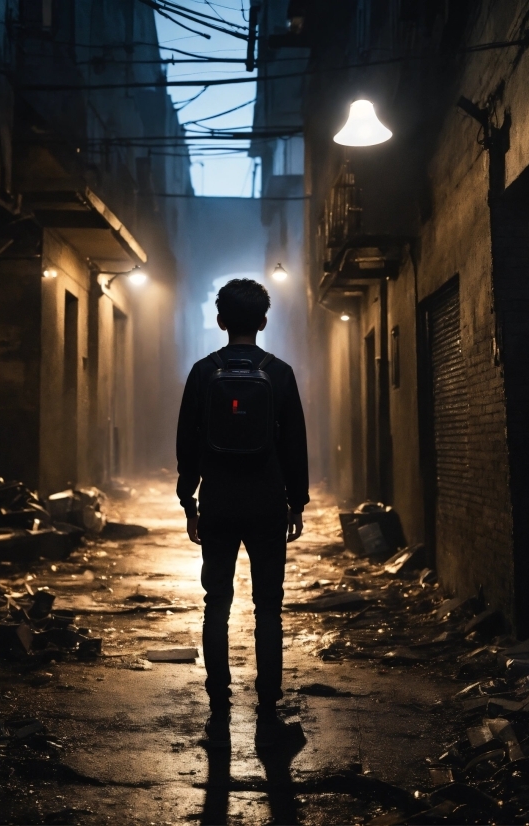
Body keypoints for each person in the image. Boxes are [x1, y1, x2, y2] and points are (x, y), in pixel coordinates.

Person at [176, 278, 309, 749]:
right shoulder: (280, 373)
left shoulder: (202, 372)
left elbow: (187, 443)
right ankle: (268, 708)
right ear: (263, 321)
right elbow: (294, 443)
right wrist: (299, 500)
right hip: (268, 501)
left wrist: (187, 498)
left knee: (217, 604)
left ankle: (219, 707)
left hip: (218, 501)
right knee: (268, 607)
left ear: (220, 320)